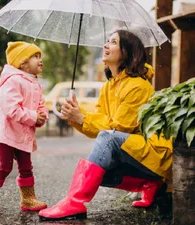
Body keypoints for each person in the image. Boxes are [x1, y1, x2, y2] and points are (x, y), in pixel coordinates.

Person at [39, 30, 173, 221]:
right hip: (134, 152)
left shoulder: (138, 86)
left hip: (154, 154)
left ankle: (74, 202)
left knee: (106, 143)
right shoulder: (109, 86)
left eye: (113, 42)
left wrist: (82, 118)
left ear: (127, 52)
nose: (105, 45)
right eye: (107, 41)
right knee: (97, 171)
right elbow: (102, 124)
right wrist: (77, 116)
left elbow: (118, 129)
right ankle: (149, 183)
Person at [0, 41, 49, 216]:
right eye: (35, 56)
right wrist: (33, 116)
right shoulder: (12, 81)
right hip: (6, 133)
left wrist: (41, 116)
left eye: (40, 56)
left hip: (23, 134)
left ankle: (28, 198)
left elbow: (41, 105)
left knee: (26, 167)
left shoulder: (35, 83)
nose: (40, 60)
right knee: (5, 166)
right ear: (23, 62)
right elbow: (11, 109)